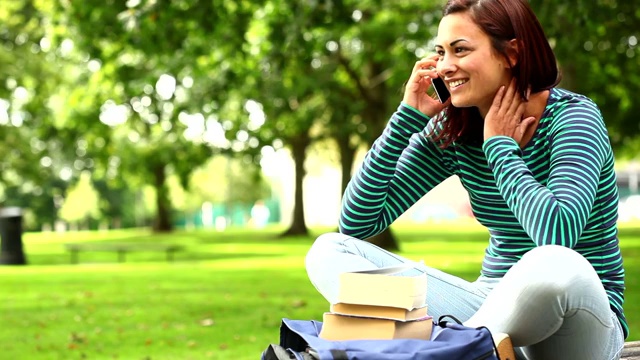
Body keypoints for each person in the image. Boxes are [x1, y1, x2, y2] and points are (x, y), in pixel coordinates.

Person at [304, 0, 628, 359]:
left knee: (552, 262)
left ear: (512, 53)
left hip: (578, 320)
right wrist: (405, 120)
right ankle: (458, 347)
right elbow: (357, 223)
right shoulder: (454, 129)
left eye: (460, 50)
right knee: (329, 251)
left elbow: (557, 235)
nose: (444, 67)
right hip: (489, 309)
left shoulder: (574, 118)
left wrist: (501, 149)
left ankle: (441, 346)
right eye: (440, 52)